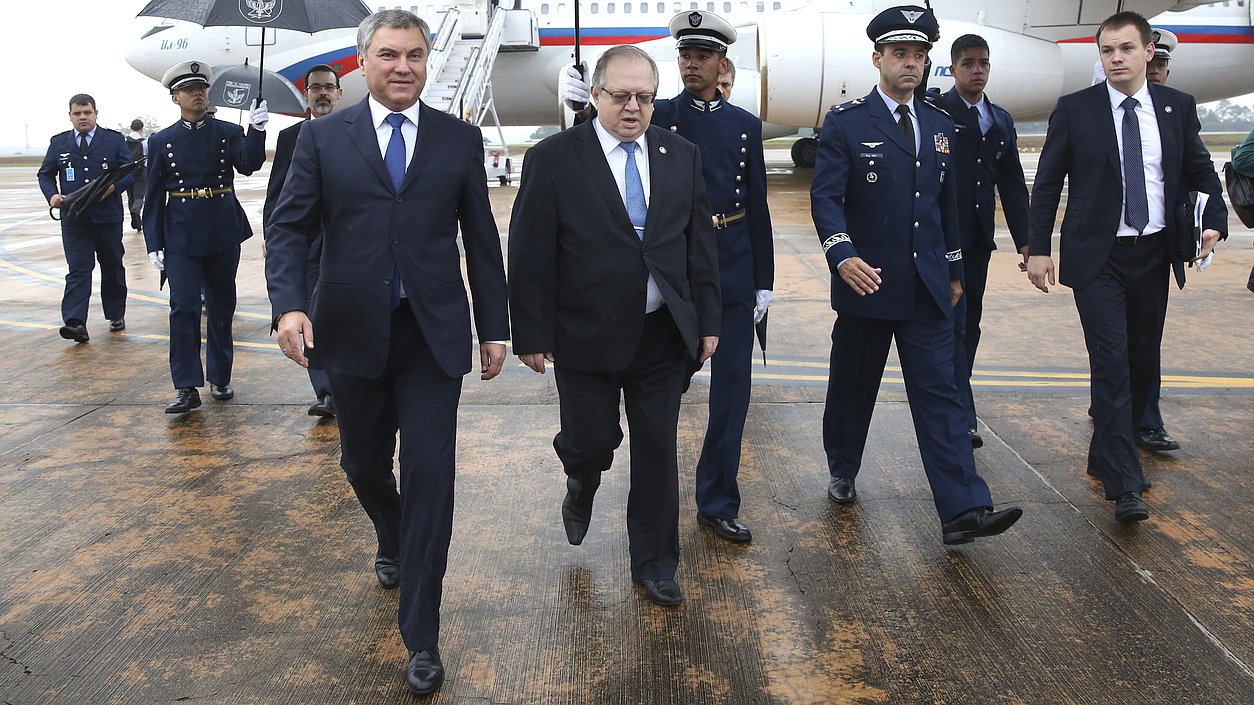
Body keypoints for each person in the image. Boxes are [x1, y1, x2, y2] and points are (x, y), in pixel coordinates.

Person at [265, 10, 510, 696]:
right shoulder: (323, 140)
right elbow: (288, 229)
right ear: (362, 61)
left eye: (413, 55)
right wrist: (289, 304)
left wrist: (495, 326)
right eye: (387, 54)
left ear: (427, 62)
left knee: (433, 475)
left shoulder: (458, 140)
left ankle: (422, 634)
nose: (402, 66)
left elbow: (481, 240)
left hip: (431, 337)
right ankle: (390, 529)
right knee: (364, 463)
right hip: (351, 331)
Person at [510, 45, 721, 604]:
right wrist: (530, 333)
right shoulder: (553, 158)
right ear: (596, 95)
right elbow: (529, 252)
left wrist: (708, 320)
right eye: (621, 95)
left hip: (660, 336)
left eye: (644, 97)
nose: (633, 107)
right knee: (590, 442)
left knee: (657, 450)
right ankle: (581, 481)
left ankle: (654, 564)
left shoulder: (681, 155)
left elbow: (699, 246)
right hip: (584, 335)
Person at [810, 5, 1023, 545]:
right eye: (900, 54)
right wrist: (841, 254)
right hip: (868, 282)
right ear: (877, 58)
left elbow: (946, 207)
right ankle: (843, 466)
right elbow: (827, 199)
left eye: (919, 55)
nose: (911, 64)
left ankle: (963, 510)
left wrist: (954, 270)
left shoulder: (940, 125)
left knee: (943, 395)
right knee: (853, 389)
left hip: (928, 286)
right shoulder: (847, 122)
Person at [560, 11, 772, 543]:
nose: (692, 63)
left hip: (733, 268)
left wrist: (762, 279)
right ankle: (590, 465)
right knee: (645, 408)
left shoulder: (746, 124)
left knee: (731, 397)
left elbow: (759, 206)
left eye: (703, 55)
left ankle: (717, 500)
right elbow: (602, 147)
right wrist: (578, 107)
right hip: (671, 277)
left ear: (723, 63)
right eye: (685, 55)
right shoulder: (660, 118)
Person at [1027, 11, 1226, 523]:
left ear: (1147, 54)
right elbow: (1047, 182)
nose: (1116, 58)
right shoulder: (1075, 109)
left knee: (1140, 358)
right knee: (1110, 362)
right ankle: (1125, 483)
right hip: (1099, 257)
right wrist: (1039, 247)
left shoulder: (1175, 107)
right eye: (1107, 50)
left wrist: (1214, 223)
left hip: (1154, 252)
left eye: (1126, 49)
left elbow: (1201, 170)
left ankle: (1105, 453)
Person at [142, 61, 268, 413]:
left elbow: (249, 164)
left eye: (201, 87)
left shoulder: (227, 131)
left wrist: (257, 130)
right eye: (189, 89)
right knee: (182, 307)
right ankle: (185, 386)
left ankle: (220, 375)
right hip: (180, 232)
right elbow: (153, 197)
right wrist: (154, 242)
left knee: (221, 305)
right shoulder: (162, 140)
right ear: (175, 98)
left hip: (221, 227)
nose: (198, 93)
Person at [931, 34, 1030, 449]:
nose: (977, 70)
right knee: (949, 325)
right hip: (938, 241)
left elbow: (1011, 184)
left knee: (969, 325)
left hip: (976, 243)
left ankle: (958, 404)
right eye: (968, 63)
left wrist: (1028, 240)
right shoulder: (936, 112)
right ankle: (959, 413)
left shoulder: (1000, 120)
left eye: (983, 64)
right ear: (952, 69)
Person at [263, 63, 344, 418]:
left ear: (339, 93)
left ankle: (346, 386)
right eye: (316, 88)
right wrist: (272, 233)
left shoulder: (351, 133)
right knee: (310, 314)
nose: (322, 93)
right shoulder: (290, 138)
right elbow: (277, 192)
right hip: (308, 243)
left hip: (345, 242)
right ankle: (326, 392)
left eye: (329, 87)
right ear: (306, 94)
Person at [38, 94, 134, 343]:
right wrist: (52, 196)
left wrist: (114, 188)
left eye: (87, 112)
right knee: (79, 269)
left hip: (107, 217)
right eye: (77, 113)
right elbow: (45, 174)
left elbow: (131, 171)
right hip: (74, 218)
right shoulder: (59, 143)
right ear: (70, 116)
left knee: (111, 265)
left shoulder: (112, 141)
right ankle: (75, 322)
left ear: (96, 113)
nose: (83, 117)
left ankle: (115, 313)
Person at [124, 119, 147, 232]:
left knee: (130, 197)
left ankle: (137, 223)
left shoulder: (125, 141)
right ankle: (136, 210)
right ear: (141, 128)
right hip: (141, 172)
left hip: (128, 172)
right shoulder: (144, 142)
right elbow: (147, 157)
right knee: (139, 196)